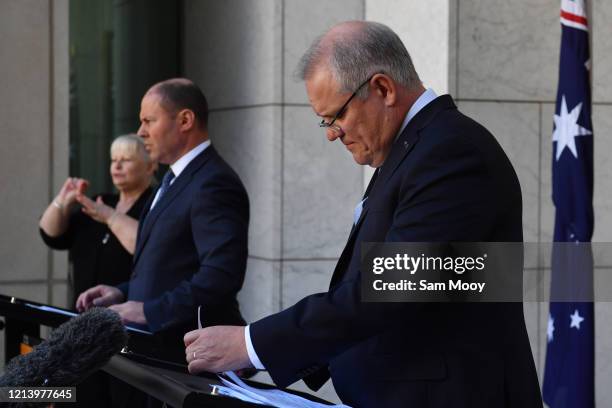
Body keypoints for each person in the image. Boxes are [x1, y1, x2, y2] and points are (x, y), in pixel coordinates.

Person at [182, 21, 543, 407]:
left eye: (336, 115)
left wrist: (252, 344)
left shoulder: (449, 151)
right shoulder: (412, 150)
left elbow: (389, 289)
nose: (331, 133)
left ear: (383, 89)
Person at [75, 78, 249, 361]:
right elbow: (169, 269)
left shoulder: (214, 183)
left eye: (148, 121)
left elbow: (220, 276)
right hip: (153, 349)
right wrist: (121, 293)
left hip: (182, 356)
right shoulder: (172, 179)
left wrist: (147, 311)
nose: (140, 132)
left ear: (185, 120)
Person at [40, 134, 155, 306]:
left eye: (126, 159)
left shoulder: (154, 204)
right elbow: (51, 235)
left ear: (150, 166)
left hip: (127, 316)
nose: (117, 165)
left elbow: (148, 246)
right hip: (82, 314)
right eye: (113, 159)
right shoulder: (101, 200)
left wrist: (109, 216)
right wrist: (62, 200)